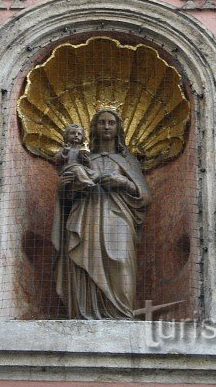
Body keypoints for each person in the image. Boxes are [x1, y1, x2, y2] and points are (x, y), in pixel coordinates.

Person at [51, 109, 151, 319]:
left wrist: (122, 182)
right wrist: (66, 186)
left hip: (119, 217)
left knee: (121, 261)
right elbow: (66, 197)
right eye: (101, 123)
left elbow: (144, 196)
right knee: (84, 258)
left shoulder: (128, 160)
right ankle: (85, 314)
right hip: (86, 216)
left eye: (111, 123)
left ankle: (121, 315)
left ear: (118, 129)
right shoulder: (84, 158)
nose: (106, 127)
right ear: (94, 128)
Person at [55, 124, 98, 190]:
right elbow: (58, 160)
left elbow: (89, 166)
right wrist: (65, 151)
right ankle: (88, 183)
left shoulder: (82, 150)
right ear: (66, 136)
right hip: (69, 168)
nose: (76, 135)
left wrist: (87, 160)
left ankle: (83, 184)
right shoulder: (64, 149)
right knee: (78, 169)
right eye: (73, 133)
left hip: (81, 169)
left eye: (79, 134)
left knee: (95, 174)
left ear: (82, 137)